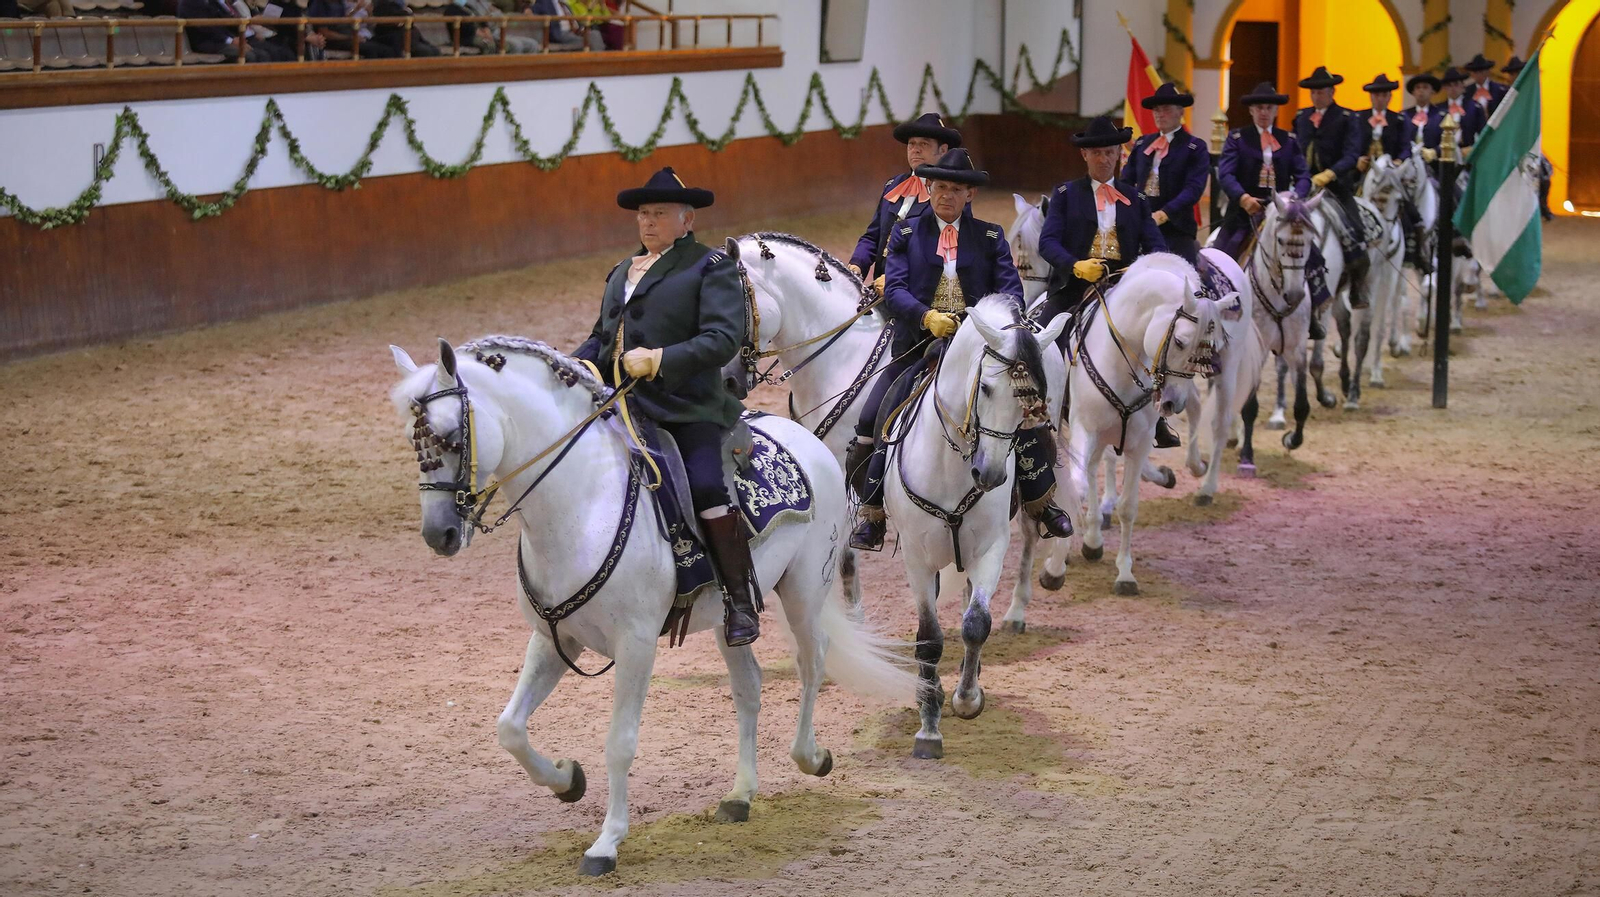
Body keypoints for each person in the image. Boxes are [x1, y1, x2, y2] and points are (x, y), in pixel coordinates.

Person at [848, 149, 1073, 551]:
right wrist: (925, 317)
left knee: (1024, 410)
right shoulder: (904, 235)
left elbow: (1010, 293)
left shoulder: (989, 237)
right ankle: (873, 511)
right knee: (876, 416)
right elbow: (895, 289)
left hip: (980, 348)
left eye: (955, 189)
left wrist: (982, 329)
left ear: (970, 194)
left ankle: (1042, 500)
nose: (946, 196)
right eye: (939, 188)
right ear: (929, 188)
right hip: (918, 348)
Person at [571, 168, 759, 647]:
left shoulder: (710, 265)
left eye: (659, 214)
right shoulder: (621, 272)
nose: (648, 223)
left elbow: (722, 338)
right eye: (643, 214)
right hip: (622, 405)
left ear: (687, 219)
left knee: (704, 485)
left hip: (685, 405)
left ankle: (740, 599)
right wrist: (567, 368)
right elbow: (601, 338)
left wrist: (660, 360)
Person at [1037, 115, 1180, 448]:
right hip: (1074, 288)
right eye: (1097, 153)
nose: (1104, 159)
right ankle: (1042, 409)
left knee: (1159, 343)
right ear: (1084, 156)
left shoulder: (1137, 200)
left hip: (1125, 292)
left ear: (1119, 155)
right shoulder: (1065, 194)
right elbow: (1048, 243)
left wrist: (1142, 273)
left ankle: (1157, 420)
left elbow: (1156, 246)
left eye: (1110, 153)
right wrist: (1075, 266)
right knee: (1044, 339)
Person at [1215, 83, 1322, 334]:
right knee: (1222, 253)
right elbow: (1226, 173)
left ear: (1275, 111)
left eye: (1269, 108)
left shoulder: (1288, 140)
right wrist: (1243, 198)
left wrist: (1295, 199)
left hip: (1282, 214)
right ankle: (1221, 308)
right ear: (1251, 110)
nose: (1264, 112)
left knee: (1314, 255)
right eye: (1259, 107)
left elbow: (1303, 175)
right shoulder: (1237, 138)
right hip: (1244, 213)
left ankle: (1313, 310)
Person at [846, 112, 961, 283]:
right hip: (881, 286)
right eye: (911, 144)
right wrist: (857, 265)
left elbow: (944, 251)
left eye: (924, 143)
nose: (915, 149)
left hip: (920, 290)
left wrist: (896, 279)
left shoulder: (951, 192)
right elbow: (873, 236)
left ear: (943, 150)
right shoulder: (893, 185)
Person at [1294, 65, 1371, 308]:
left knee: (1356, 231)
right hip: (1303, 185)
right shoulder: (1301, 117)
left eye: (1322, 91)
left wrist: (1330, 174)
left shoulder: (1348, 117)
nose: (1317, 96)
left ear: (1332, 91)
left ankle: (1357, 287)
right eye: (1313, 92)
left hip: (1336, 187)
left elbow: (1351, 154)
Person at [1120, 82, 1210, 264]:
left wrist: (1164, 213)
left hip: (1176, 228)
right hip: (1141, 225)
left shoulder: (1195, 147)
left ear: (1181, 112)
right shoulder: (1143, 143)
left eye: (1166, 109)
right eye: (1156, 110)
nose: (1160, 114)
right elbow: (1126, 181)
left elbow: (1194, 188)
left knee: (1189, 276)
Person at [179, 0, 296, 61]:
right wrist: (231, 40)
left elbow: (225, 22)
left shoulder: (212, 2)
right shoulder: (190, 2)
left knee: (279, 51)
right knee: (255, 55)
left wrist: (238, 37)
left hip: (228, 37)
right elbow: (207, 28)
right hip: (208, 43)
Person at [1435, 68, 1486, 151]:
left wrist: (1473, 149)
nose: (1453, 88)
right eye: (1449, 85)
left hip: (1468, 151)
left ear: (1463, 86)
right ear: (1444, 88)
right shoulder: (1438, 109)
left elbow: (1482, 133)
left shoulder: (1474, 107)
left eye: (1456, 84)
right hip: (1444, 152)